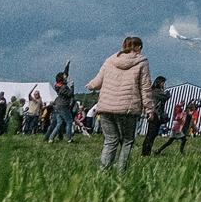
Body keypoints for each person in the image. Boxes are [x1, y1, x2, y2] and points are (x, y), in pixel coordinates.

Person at [86, 35, 153, 174]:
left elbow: (97, 82)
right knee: (127, 141)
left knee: (110, 141)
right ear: (139, 48)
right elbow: (145, 87)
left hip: (106, 107)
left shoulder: (110, 60)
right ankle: (121, 173)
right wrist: (149, 108)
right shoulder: (142, 62)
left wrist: (89, 85)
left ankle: (103, 172)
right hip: (128, 109)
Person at [141, 77, 170, 157]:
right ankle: (145, 152)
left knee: (152, 134)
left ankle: (146, 152)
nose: (163, 85)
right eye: (163, 83)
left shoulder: (153, 91)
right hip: (155, 115)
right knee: (151, 134)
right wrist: (166, 91)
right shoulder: (157, 92)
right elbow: (166, 96)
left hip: (154, 114)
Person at [46, 73, 78, 143]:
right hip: (64, 106)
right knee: (69, 122)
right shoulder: (64, 87)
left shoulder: (57, 86)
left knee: (59, 123)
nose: (66, 77)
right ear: (62, 79)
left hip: (57, 106)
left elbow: (65, 74)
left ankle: (51, 138)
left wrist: (67, 66)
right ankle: (69, 138)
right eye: (64, 77)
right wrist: (72, 86)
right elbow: (70, 94)